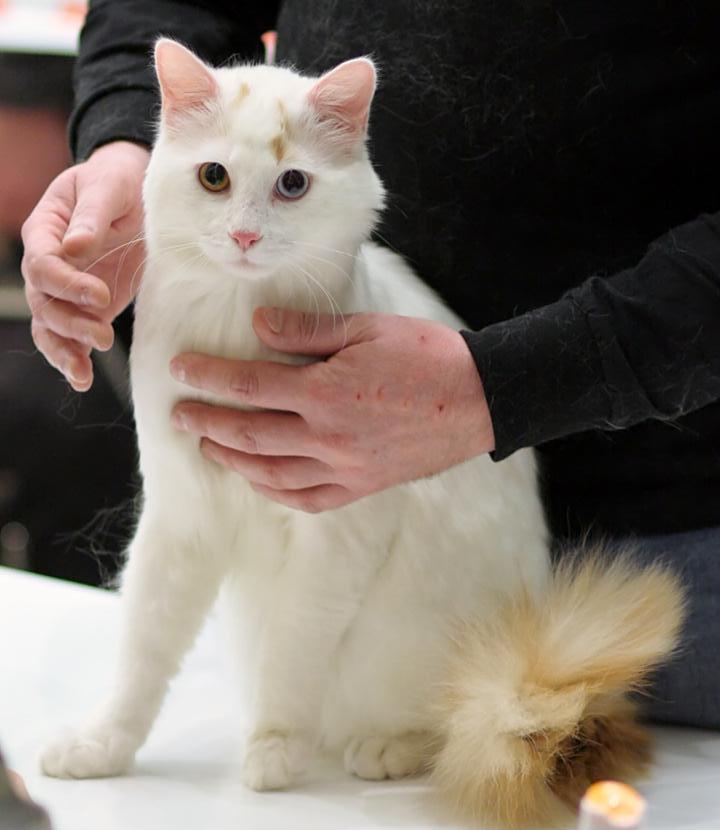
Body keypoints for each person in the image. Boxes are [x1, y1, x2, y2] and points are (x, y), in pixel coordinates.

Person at [21, 1, 720, 727]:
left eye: (288, 186)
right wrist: (123, 143)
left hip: (672, 547)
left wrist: (506, 386)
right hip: (346, 613)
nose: (246, 230)